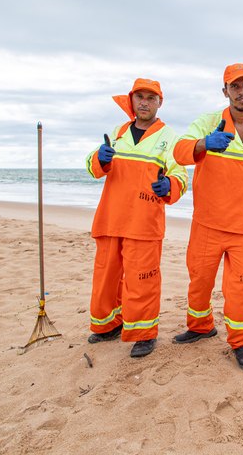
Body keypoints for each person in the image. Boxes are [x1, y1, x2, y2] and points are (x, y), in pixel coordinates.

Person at [172, 63, 243, 371]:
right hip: (208, 222)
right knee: (200, 281)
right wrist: (205, 144)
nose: (242, 91)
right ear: (225, 91)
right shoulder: (208, 121)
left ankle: (241, 342)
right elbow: (179, 152)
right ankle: (200, 326)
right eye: (235, 86)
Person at [85, 78, 189, 358]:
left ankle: (144, 334)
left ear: (160, 102)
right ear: (131, 100)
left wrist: (170, 185)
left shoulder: (170, 137)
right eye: (139, 97)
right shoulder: (117, 132)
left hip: (144, 223)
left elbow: (181, 176)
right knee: (106, 277)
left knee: (142, 279)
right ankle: (108, 325)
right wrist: (100, 158)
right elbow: (92, 168)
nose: (144, 102)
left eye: (150, 98)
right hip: (110, 217)